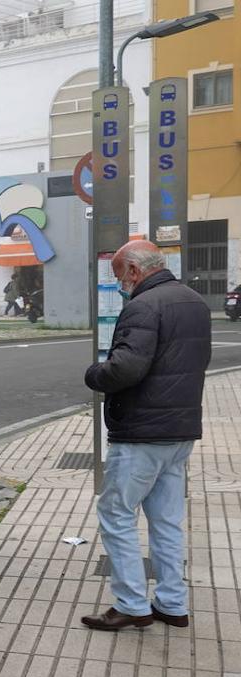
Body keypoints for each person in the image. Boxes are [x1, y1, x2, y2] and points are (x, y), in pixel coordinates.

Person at [81, 240, 211, 631]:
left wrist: (93, 374)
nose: (119, 283)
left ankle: (132, 605)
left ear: (134, 271)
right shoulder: (194, 301)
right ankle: (172, 603)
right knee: (167, 520)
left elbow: (125, 369)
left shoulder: (142, 306)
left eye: (119, 275)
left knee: (116, 514)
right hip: (179, 431)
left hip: (142, 432)